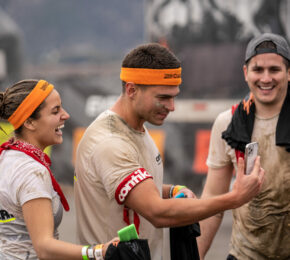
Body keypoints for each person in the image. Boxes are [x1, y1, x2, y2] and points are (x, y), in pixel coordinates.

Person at [74, 43, 264, 260]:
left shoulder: (135, 128)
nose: (172, 106)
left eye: (174, 96)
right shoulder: (110, 142)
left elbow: (124, 190)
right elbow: (157, 212)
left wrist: (171, 190)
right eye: (163, 97)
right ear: (132, 90)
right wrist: (235, 198)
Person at [0, 79, 118, 260]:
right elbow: (45, 248)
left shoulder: (7, 156)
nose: (66, 115)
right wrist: (100, 252)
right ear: (29, 122)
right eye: (56, 111)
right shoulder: (31, 172)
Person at [197, 33, 290, 260]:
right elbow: (213, 200)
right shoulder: (228, 123)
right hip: (245, 255)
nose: (266, 78)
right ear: (246, 73)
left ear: (289, 73)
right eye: (258, 70)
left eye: (274, 70)